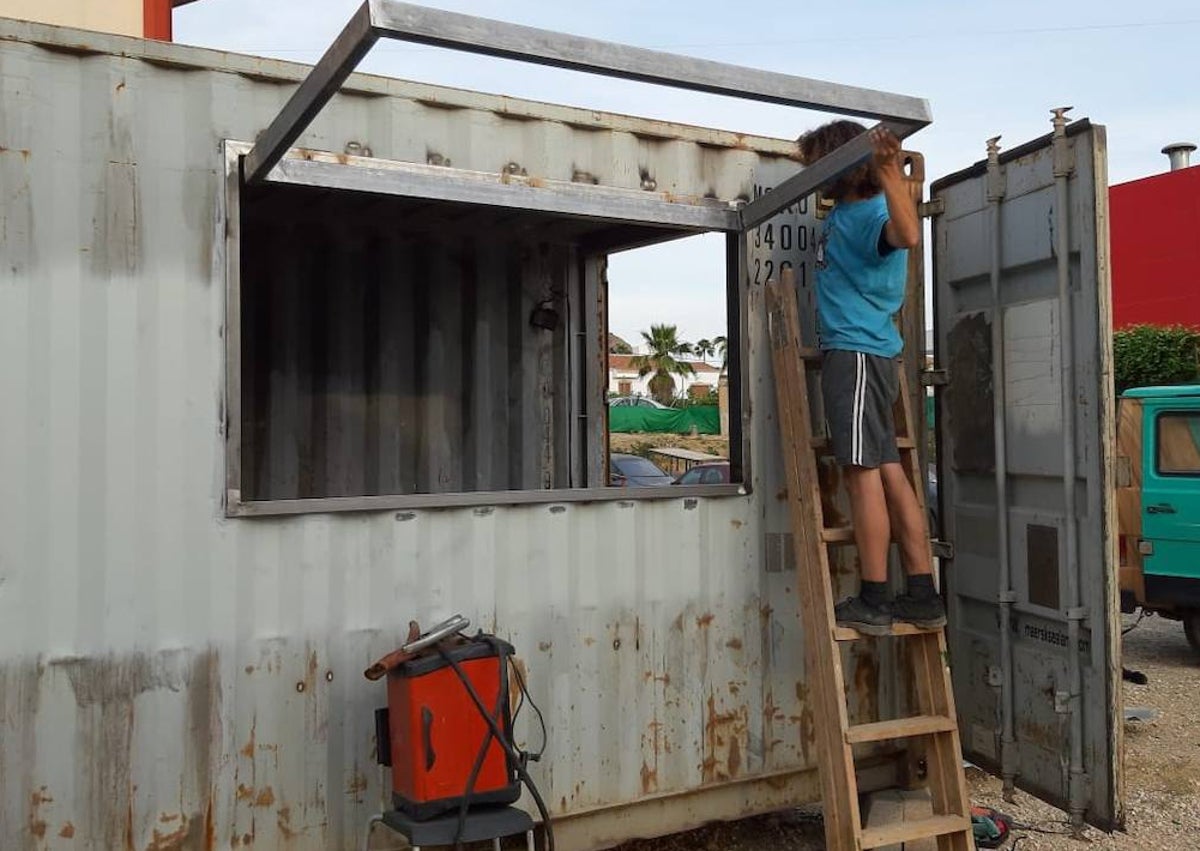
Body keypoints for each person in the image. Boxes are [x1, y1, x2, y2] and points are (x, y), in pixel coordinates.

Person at [796, 120, 946, 635]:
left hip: (856, 354)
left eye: (818, 164)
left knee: (861, 473)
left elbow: (905, 234)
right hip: (870, 353)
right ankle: (923, 594)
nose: (812, 175)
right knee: (887, 469)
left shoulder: (872, 212)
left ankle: (875, 597)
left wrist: (888, 173)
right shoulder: (849, 213)